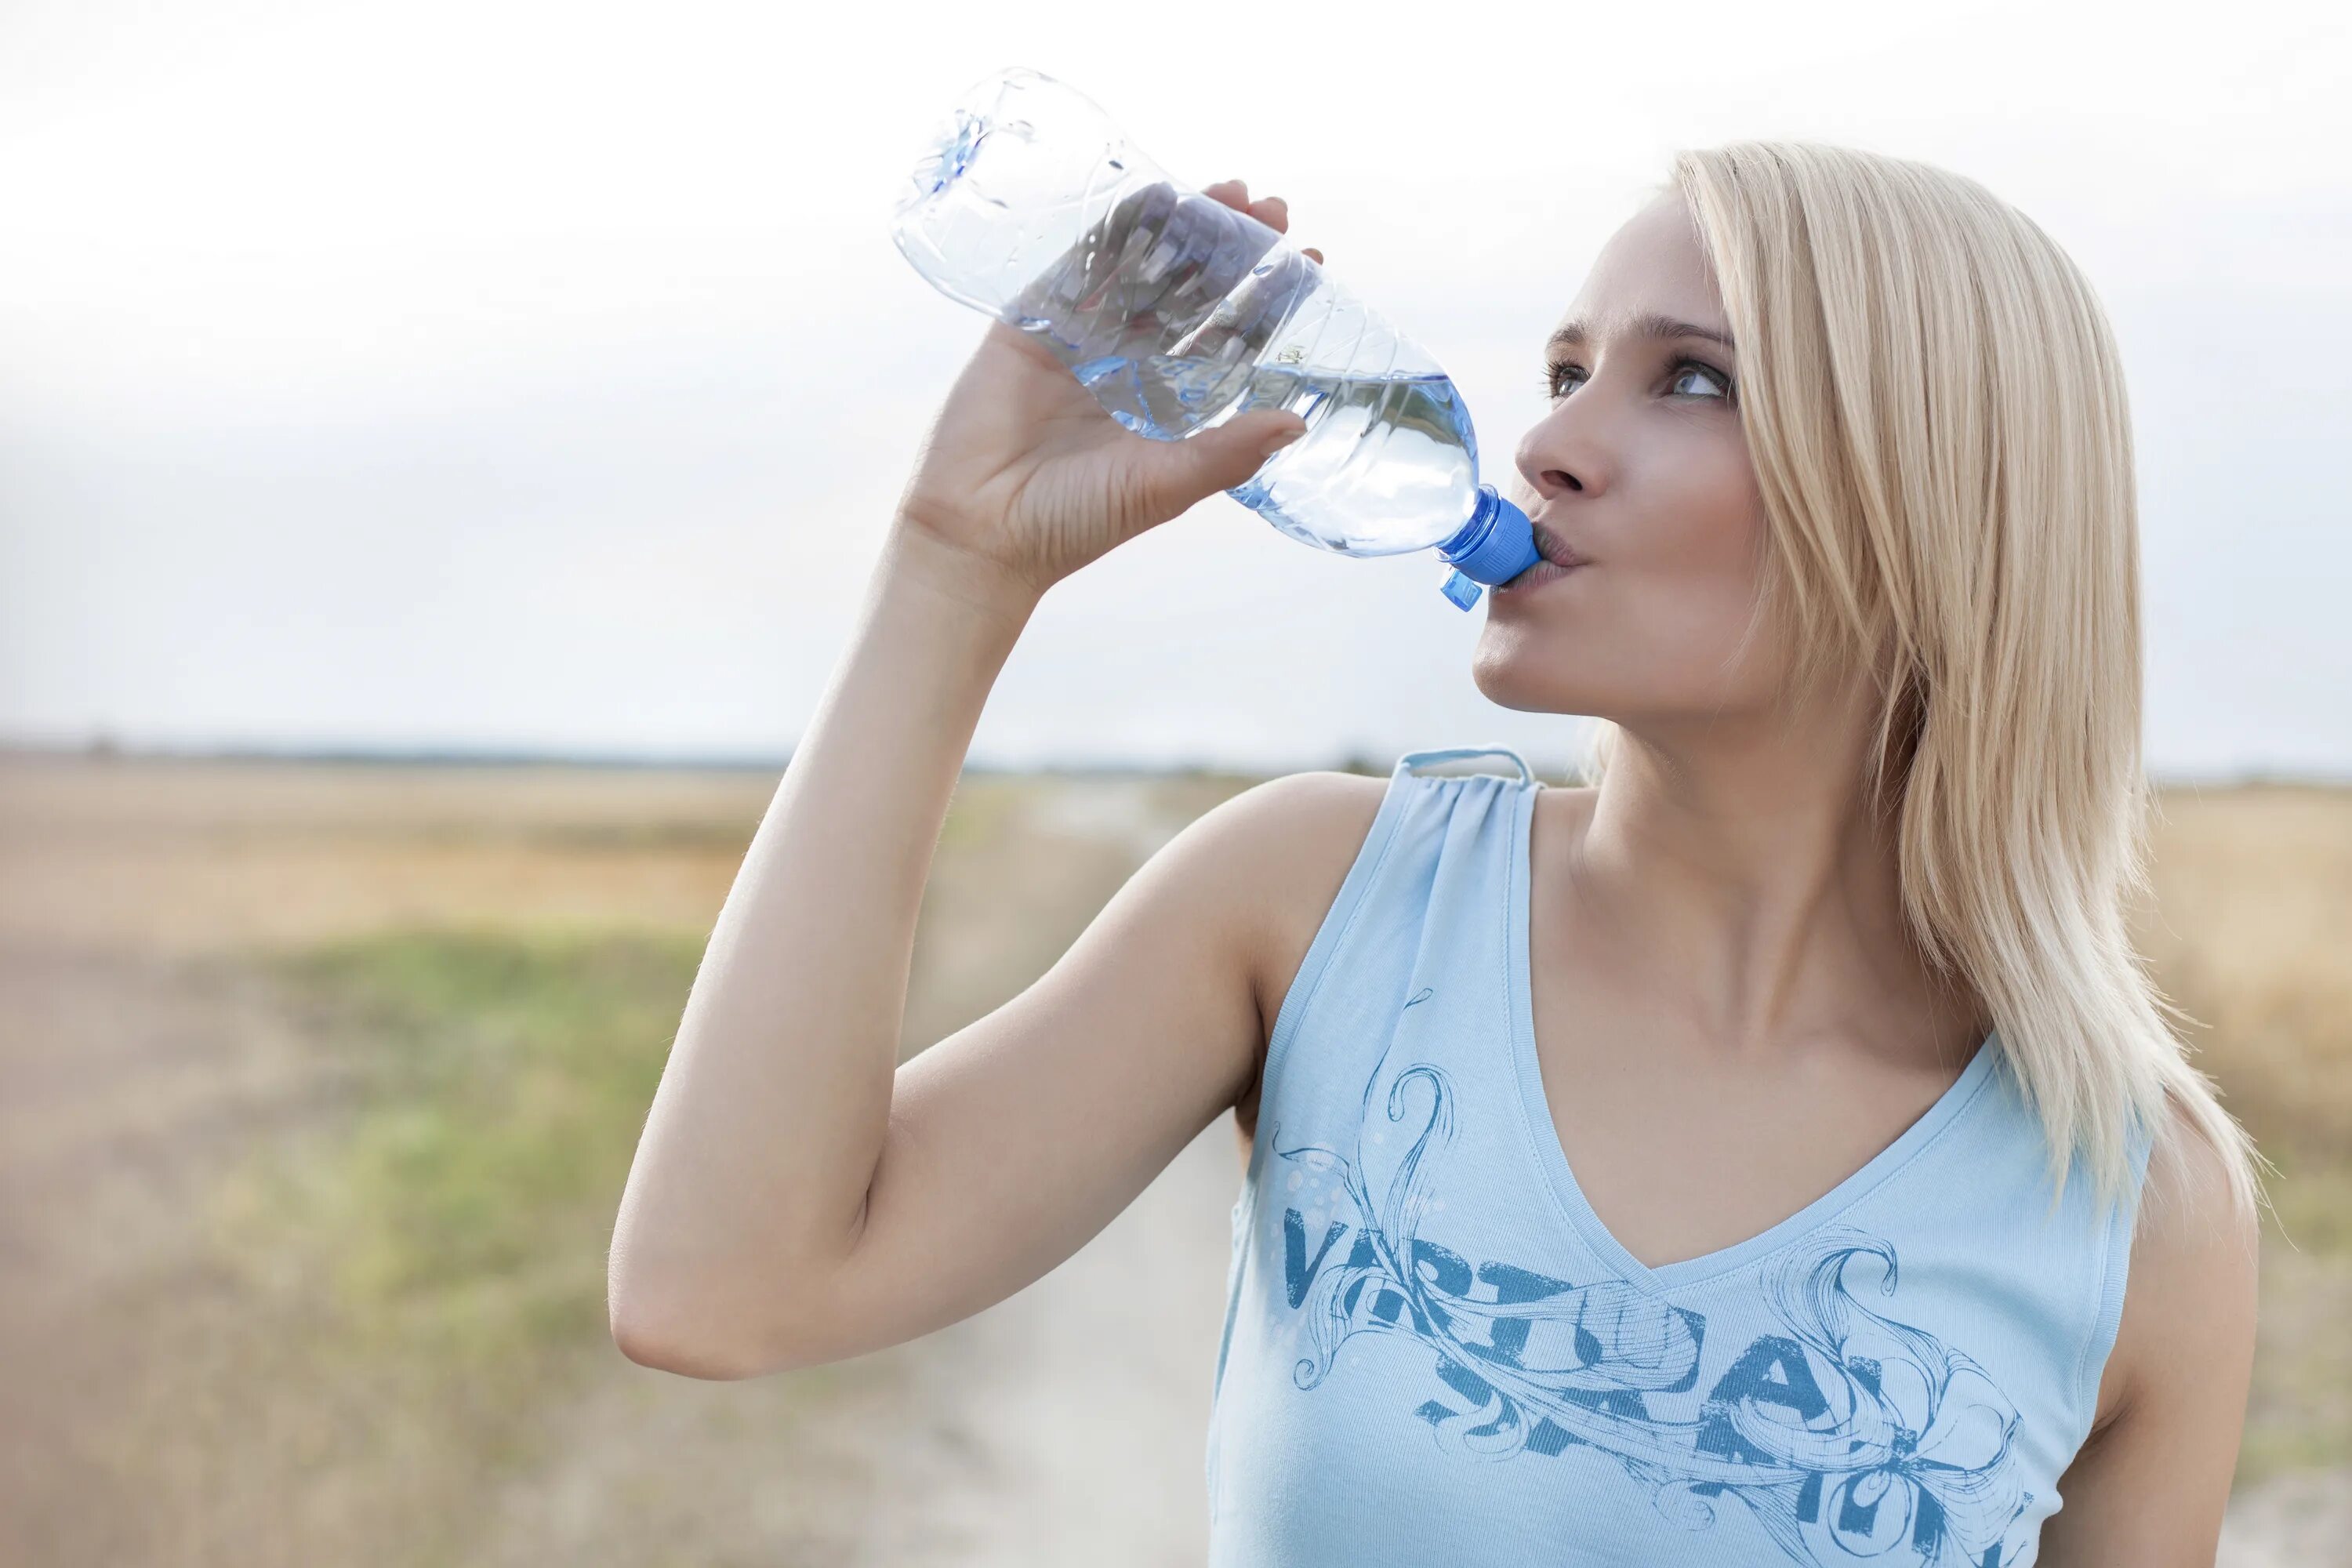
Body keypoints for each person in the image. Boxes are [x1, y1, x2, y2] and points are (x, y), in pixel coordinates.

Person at [607, 144, 2266, 1565]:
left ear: (1934, 500)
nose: (1548, 447)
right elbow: (720, 1288)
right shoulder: (1324, 899)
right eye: (1567, 370)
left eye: (1691, 379)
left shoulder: (2137, 1210)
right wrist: (952, 567)